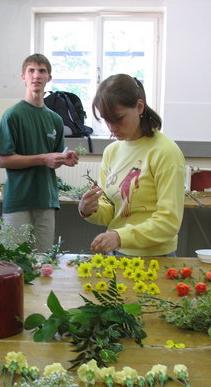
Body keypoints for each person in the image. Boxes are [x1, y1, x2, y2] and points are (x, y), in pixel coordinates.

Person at [78, 74, 185, 257]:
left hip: (155, 259)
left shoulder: (166, 152)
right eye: (106, 119)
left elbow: (168, 223)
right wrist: (90, 210)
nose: (111, 127)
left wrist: (120, 237)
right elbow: (112, 211)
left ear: (139, 107)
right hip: (116, 254)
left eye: (118, 118)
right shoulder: (112, 151)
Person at [0, 53, 78, 253]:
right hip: (19, 200)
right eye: (31, 70)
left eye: (42, 71)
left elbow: (54, 158)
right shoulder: (12, 115)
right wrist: (43, 158)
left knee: (42, 262)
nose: (36, 75)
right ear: (23, 76)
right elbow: (3, 160)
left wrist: (65, 159)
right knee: (14, 260)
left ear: (49, 77)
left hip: (46, 199)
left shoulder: (56, 119)